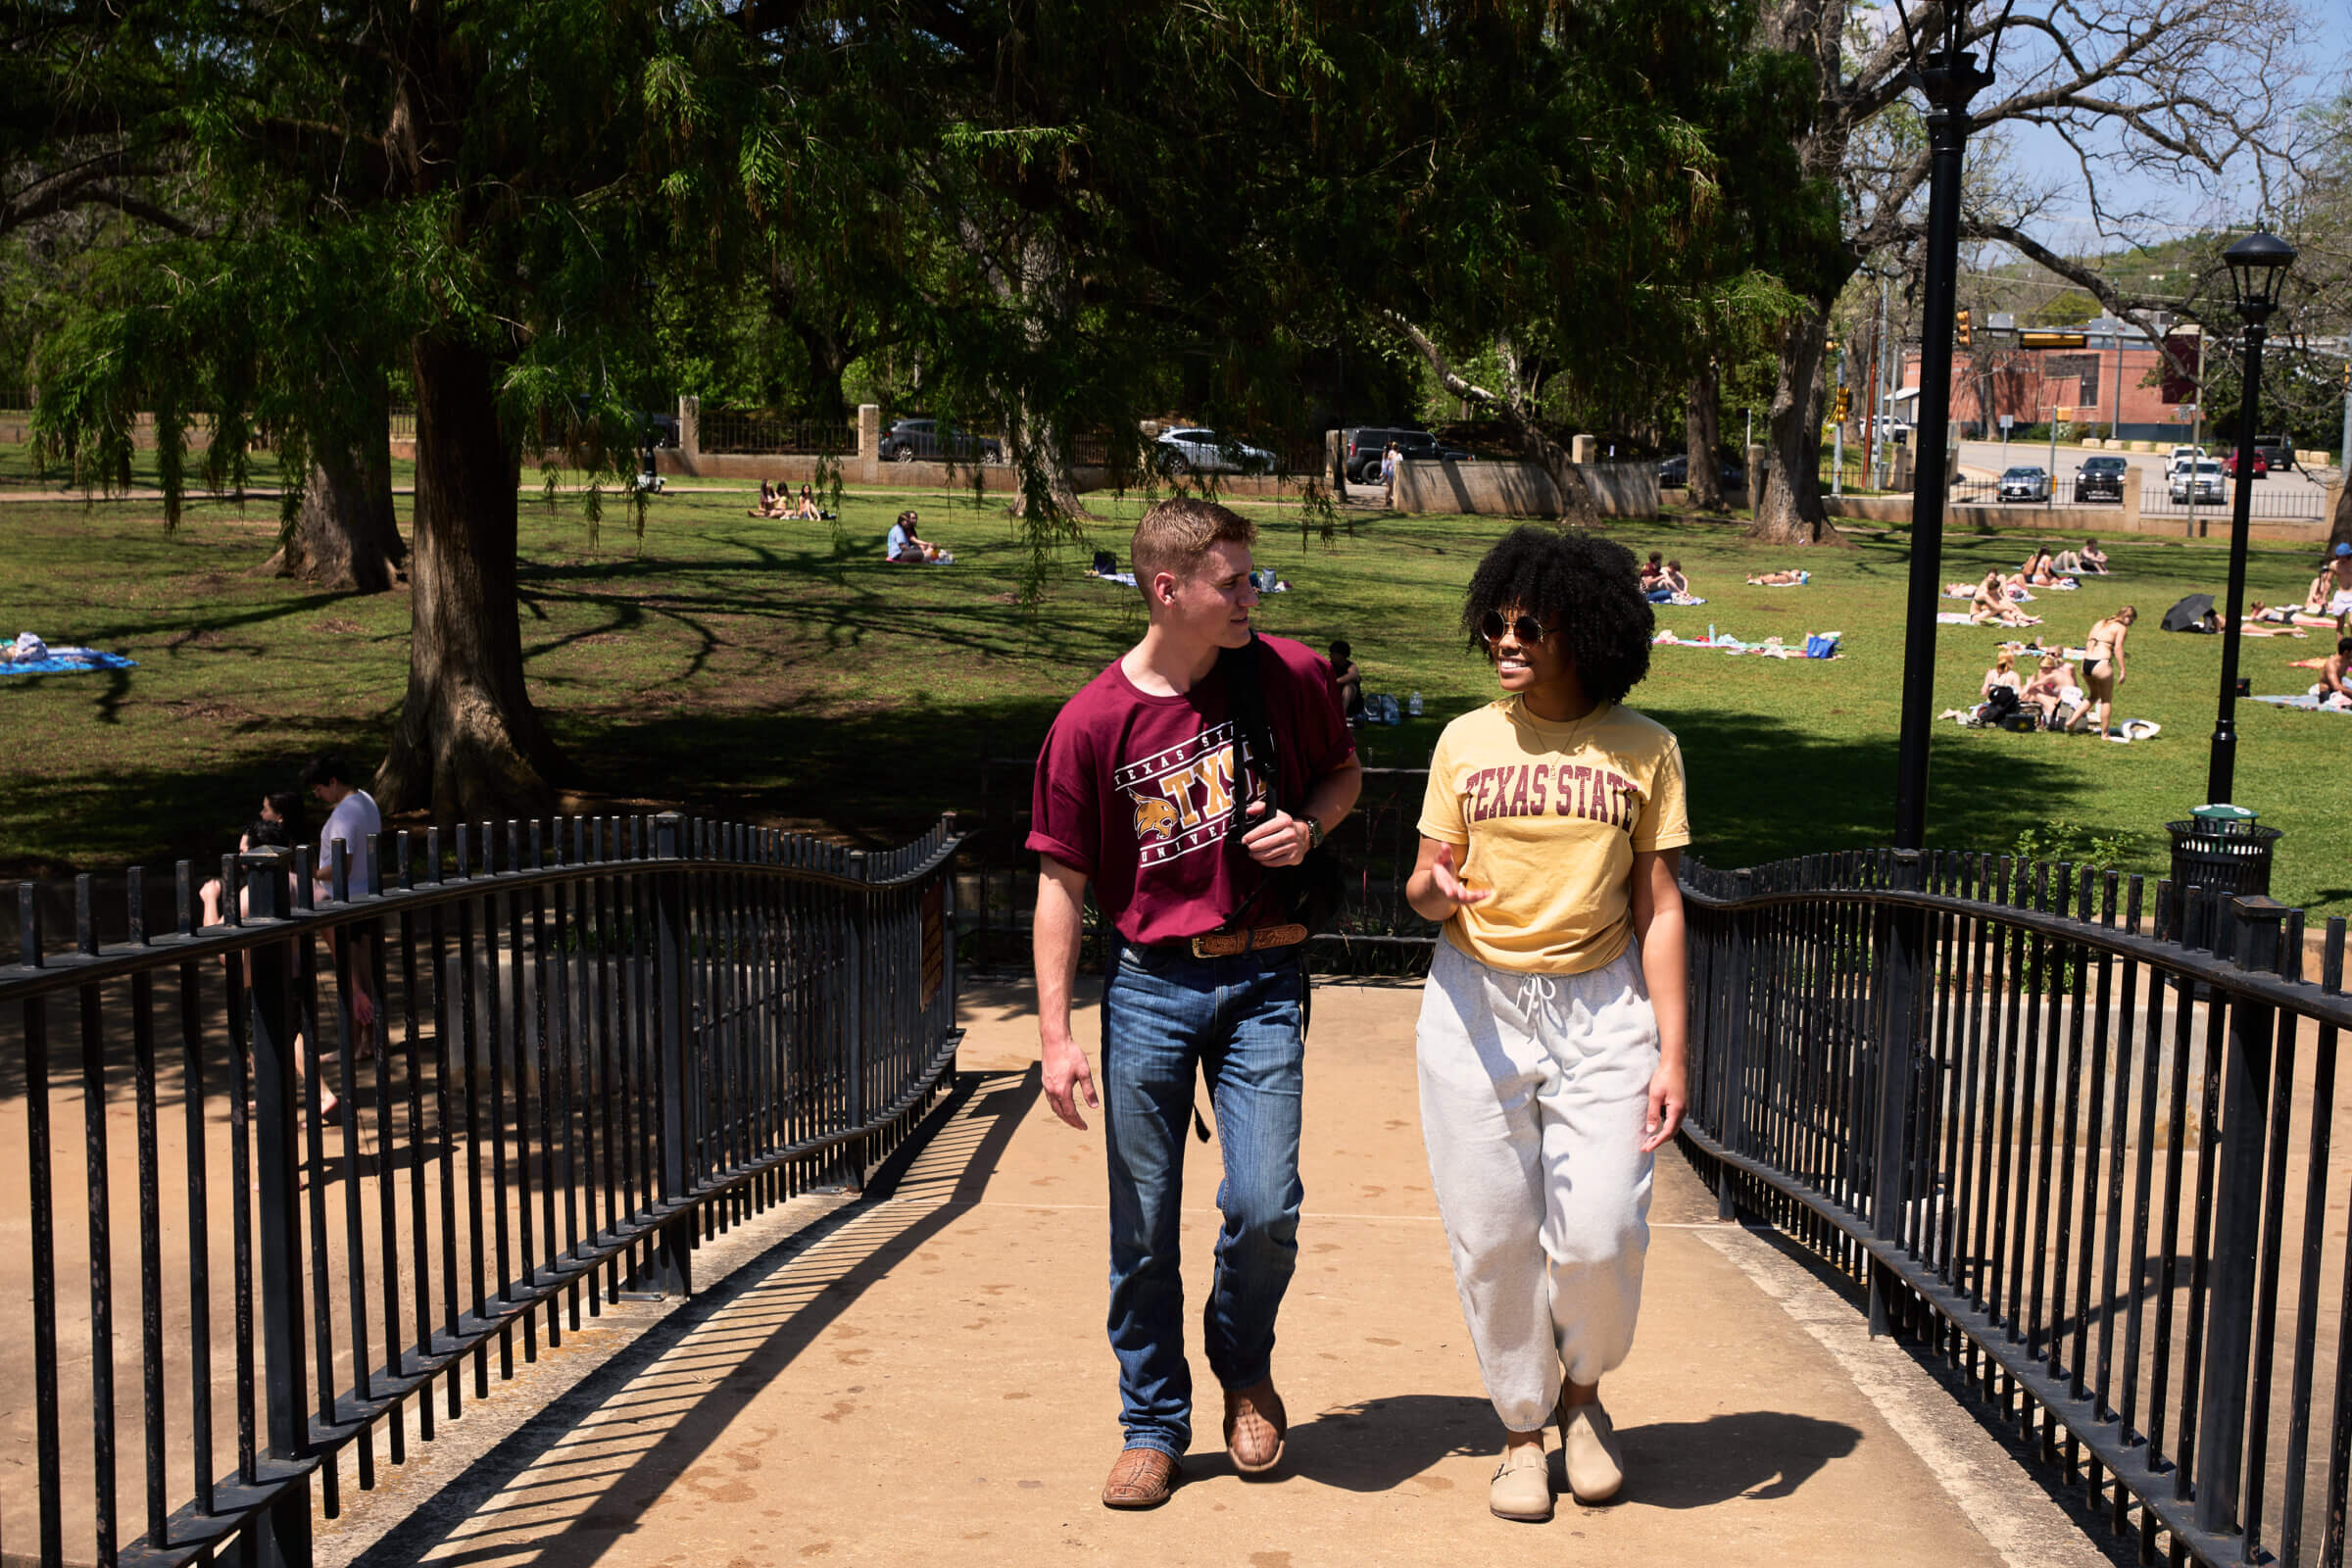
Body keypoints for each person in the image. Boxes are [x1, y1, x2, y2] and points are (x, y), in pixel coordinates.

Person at [1026, 497, 1363, 1510]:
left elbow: (1344, 772)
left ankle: (1243, 1367)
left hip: (1265, 976)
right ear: (1167, 589)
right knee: (1142, 1224)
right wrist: (1054, 1034)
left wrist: (1309, 828)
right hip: (1150, 989)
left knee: (1266, 1205)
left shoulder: (1289, 675)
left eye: (1252, 579)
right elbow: (1059, 883)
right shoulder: (1092, 722)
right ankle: (1152, 1421)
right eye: (1233, 582)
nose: (1250, 596)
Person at [1404, 525, 1688, 1523]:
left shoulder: (1645, 748)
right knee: (1492, 1233)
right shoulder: (1464, 740)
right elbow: (1421, 881)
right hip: (1475, 1001)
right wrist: (1437, 888)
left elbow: (1660, 905)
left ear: (1588, 630)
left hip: (1601, 1001)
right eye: (1496, 622)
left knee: (1602, 1230)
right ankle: (1522, 1433)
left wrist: (1673, 1050)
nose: (1505, 639)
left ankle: (1583, 1398)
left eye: (1529, 624)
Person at [197, 790, 305, 926]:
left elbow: (217, 938)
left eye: (242, 851)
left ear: (257, 853)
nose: (240, 857)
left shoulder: (254, 893)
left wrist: (209, 898)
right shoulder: (308, 885)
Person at [2081, 605, 2136, 737]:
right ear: (2126, 616)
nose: (2131, 624)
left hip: (2086, 663)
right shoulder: (2121, 627)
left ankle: (2071, 722)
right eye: (2132, 621)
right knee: (2106, 700)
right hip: (2101, 663)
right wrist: (2123, 670)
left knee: (2093, 696)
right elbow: (2118, 649)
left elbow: (2090, 642)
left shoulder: (2101, 622)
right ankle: (2105, 734)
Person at [1328, 638, 1366, 722]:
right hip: (1335, 699)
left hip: (1353, 704)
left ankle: (1342, 715)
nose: (1330, 655)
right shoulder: (1329, 666)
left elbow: (1353, 675)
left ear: (1341, 655)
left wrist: (1336, 682)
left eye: (1333, 653)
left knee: (1348, 686)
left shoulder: (1350, 666)